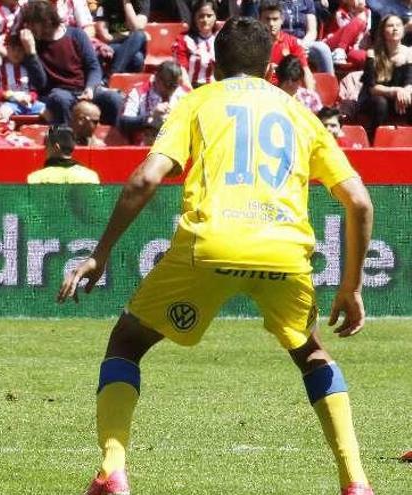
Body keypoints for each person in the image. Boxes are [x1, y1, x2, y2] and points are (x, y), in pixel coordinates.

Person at [58, 17, 375, 495]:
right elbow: (360, 202)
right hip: (284, 250)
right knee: (310, 352)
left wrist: (100, 254)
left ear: (214, 64)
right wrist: (350, 287)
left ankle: (111, 472)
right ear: (270, 66)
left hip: (210, 243)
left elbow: (145, 180)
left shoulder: (199, 101)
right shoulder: (300, 114)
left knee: (127, 342)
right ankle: (356, 482)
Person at [19, 0, 123, 127]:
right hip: (59, 93)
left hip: (83, 89)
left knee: (114, 99)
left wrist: (90, 88)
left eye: (33, 24)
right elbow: (40, 83)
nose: (30, 28)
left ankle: (115, 138)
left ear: (47, 22)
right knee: (59, 99)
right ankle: (67, 139)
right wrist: (31, 53)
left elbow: (93, 67)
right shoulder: (34, 46)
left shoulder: (76, 35)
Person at [358, 14, 412, 139]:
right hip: (375, 98)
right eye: (390, 25)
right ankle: (373, 141)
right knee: (380, 103)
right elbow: (372, 88)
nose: (395, 28)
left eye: (398, 25)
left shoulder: (410, 53)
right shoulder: (373, 53)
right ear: (383, 31)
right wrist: (396, 91)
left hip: (400, 98)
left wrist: (405, 92)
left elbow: (410, 81)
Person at [119, 60, 188, 145]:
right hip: (144, 148)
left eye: (174, 86)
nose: (171, 89)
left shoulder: (183, 94)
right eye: (168, 85)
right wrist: (150, 116)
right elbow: (124, 123)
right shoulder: (138, 92)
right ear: (157, 78)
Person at [0, 35, 46, 120]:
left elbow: (33, 90)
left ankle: (54, 132)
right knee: (4, 112)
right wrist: (6, 95)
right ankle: (6, 130)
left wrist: (30, 97)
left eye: (20, 50)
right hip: (10, 104)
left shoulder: (28, 69)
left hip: (29, 103)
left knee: (49, 111)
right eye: (13, 49)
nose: (16, 53)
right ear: (7, 49)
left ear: (25, 52)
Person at [260, 0, 316, 90]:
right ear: (260, 20)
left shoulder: (292, 43)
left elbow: (306, 72)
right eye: (267, 19)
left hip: (286, 95)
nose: (271, 24)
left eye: (275, 19)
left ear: (282, 19)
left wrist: (310, 96)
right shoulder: (253, 44)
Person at [27, 124, 100, 183]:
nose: (45, 149)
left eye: (46, 145)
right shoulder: (90, 176)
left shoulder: (36, 178)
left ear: (56, 147)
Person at [278, 0, 335, 75]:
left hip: (303, 42)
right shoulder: (274, 2)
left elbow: (312, 31)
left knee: (323, 48)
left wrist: (301, 45)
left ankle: (330, 82)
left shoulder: (306, 2)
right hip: (282, 41)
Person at [92, 0, 148, 75]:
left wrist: (126, 2)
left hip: (134, 45)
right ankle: (114, 76)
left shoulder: (142, 2)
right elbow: (105, 37)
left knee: (139, 35)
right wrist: (130, 35)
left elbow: (136, 28)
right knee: (138, 57)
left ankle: (112, 75)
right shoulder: (106, 3)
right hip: (114, 45)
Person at [172, 0, 218, 88]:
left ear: (215, 17)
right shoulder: (183, 40)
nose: (205, 20)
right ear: (194, 18)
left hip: (215, 90)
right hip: (191, 88)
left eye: (209, 16)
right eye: (201, 16)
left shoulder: (221, 38)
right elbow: (181, 72)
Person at [323, 0, 371, 70]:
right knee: (358, 21)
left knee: (370, 57)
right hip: (332, 44)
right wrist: (359, 14)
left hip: (350, 49)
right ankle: (339, 51)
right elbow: (348, 31)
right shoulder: (341, 13)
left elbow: (366, 33)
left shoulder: (368, 13)